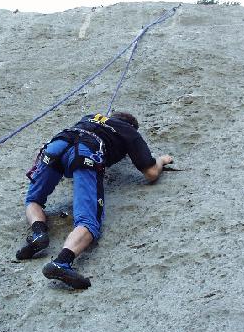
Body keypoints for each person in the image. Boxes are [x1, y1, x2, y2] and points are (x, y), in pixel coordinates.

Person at [16, 112, 173, 289]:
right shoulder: (129, 132)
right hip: (87, 152)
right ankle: (62, 262)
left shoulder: (89, 117)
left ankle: (38, 233)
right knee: (88, 221)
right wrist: (162, 160)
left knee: (33, 199)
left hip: (57, 145)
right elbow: (151, 173)